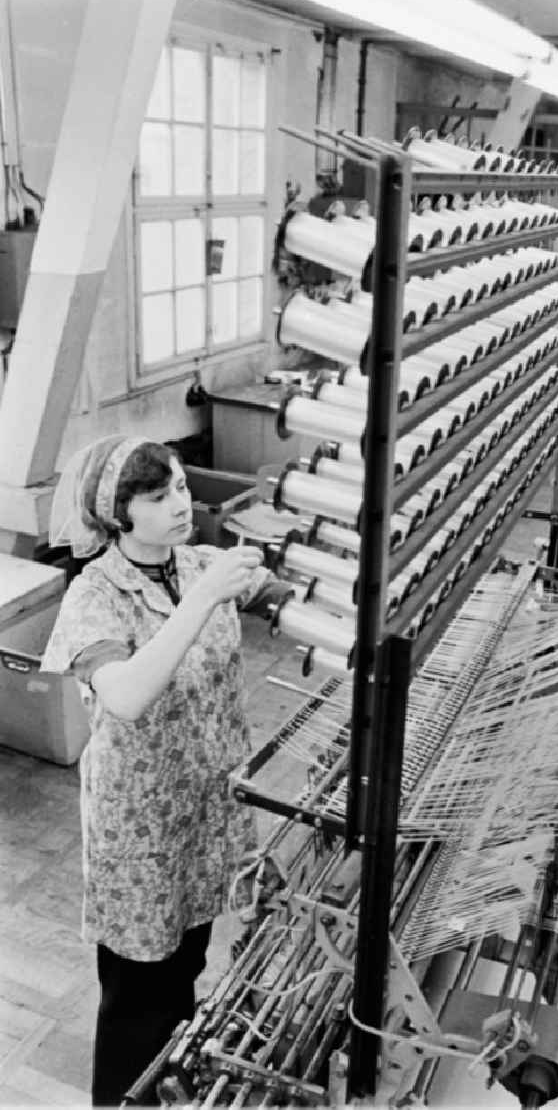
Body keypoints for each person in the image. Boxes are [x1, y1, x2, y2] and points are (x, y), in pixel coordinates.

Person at [40, 435, 292, 1106]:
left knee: (184, 966)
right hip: (142, 836)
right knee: (136, 995)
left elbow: (286, 597)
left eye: (181, 486)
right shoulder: (93, 597)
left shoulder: (203, 563)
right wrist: (202, 598)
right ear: (119, 514)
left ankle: (173, 1084)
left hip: (203, 818)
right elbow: (124, 695)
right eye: (159, 496)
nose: (181, 503)